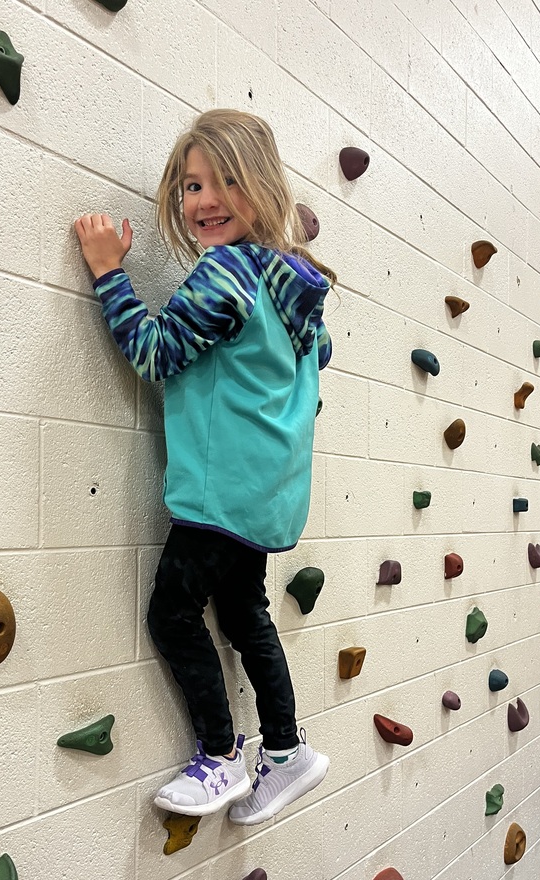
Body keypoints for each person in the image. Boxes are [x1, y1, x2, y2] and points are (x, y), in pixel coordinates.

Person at [74, 109, 336, 826]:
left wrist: (108, 272)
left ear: (261, 186)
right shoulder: (295, 288)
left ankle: (220, 758)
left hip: (219, 491)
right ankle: (285, 753)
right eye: (191, 185)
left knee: (171, 612)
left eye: (226, 180)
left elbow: (156, 354)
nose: (205, 200)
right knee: (246, 612)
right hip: (268, 495)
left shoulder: (226, 272)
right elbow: (320, 360)